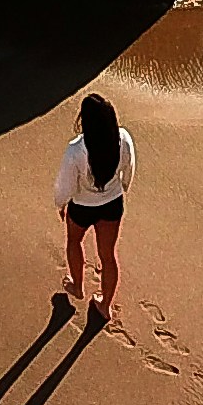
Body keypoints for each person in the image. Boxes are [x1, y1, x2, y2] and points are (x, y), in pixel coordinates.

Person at [55, 91, 134, 325]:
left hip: (82, 207)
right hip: (111, 205)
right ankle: (104, 306)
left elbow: (65, 184)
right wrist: (124, 187)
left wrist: (60, 204)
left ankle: (77, 286)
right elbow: (129, 169)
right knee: (108, 256)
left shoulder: (76, 149)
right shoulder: (122, 138)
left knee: (73, 242)